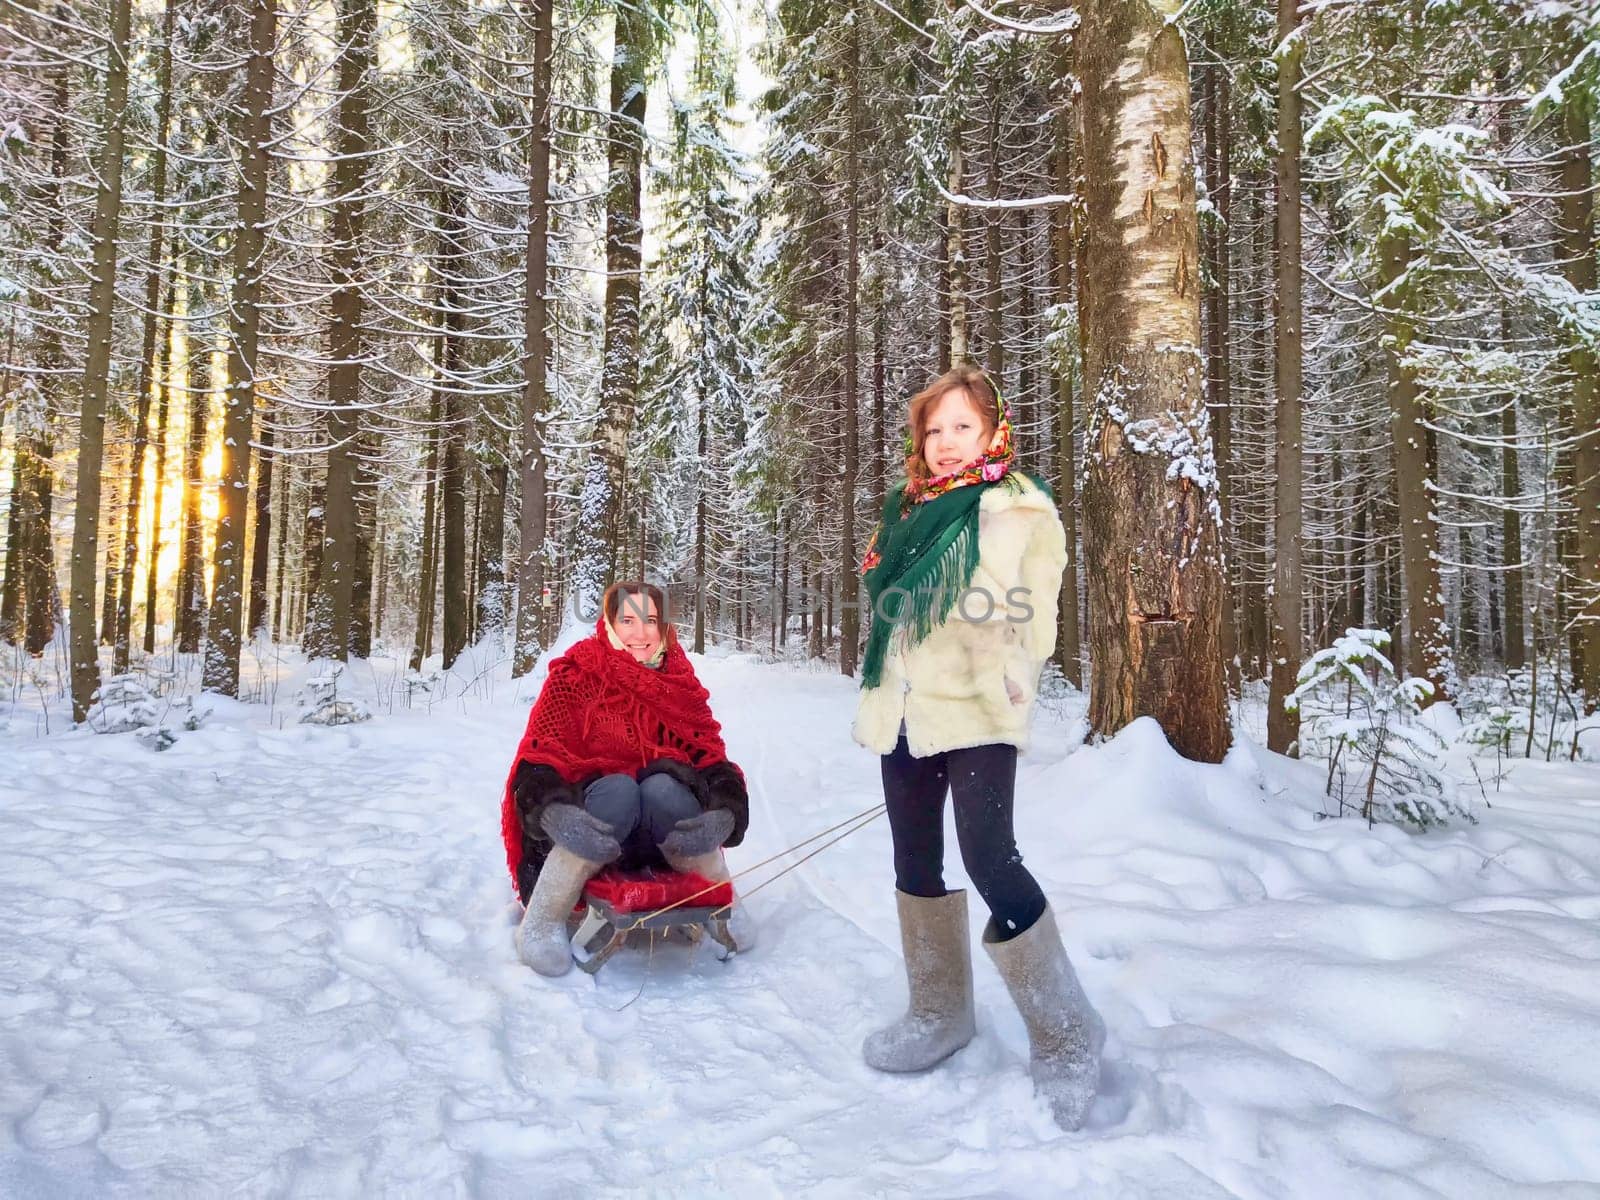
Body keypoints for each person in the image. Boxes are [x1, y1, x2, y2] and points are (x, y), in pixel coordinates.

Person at [853, 364, 1105, 1130]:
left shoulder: (1020, 509)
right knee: (913, 858)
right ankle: (940, 1013)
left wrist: (1012, 675)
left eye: (962, 426)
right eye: (933, 430)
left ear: (994, 430)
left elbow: (1038, 613)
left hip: (977, 704)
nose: (946, 444)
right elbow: (891, 607)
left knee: (990, 854)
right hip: (902, 706)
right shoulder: (904, 511)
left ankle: (1067, 1033)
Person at [501, 580, 750, 977]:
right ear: (609, 622)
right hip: (595, 830)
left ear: (664, 625)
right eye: (628, 620)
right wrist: (553, 815)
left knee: (662, 788)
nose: (640, 633)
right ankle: (544, 920)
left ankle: (722, 899)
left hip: (663, 839)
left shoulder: (680, 683)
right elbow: (537, 762)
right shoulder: (576, 674)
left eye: (650, 620)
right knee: (619, 789)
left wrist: (725, 815)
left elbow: (712, 763)